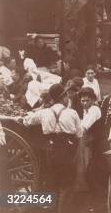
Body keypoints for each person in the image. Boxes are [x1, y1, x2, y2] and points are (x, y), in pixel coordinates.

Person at [23, 83, 82, 213]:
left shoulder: (44, 113)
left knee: (53, 181)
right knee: (67, 184)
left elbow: (27, 121)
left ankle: (51, 209)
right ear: (63, 97)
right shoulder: (72, 113)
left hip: (51, 151)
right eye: (67, 96)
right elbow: (79, 134)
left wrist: (23, 119)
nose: (68, 99)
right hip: (68, 153)